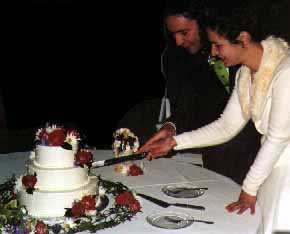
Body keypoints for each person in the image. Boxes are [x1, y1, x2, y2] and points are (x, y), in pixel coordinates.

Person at [139, 1, 290, 233]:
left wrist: (249, 188)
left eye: (218, 45)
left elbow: (278, 138)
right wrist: (174, 142)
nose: (213, 53)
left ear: (243, 38)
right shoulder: (244, 74)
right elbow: (225, 126)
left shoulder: (286, 70)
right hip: (270, 170)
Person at [118, 0, 261, 184]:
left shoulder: (241, 48)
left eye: (184, 32)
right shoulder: (180, 58)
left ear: (202, 24)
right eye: (173, 34)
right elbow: (187, 106)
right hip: (217, 155)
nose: (178, 41)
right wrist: (171, 128)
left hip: (257, 153)